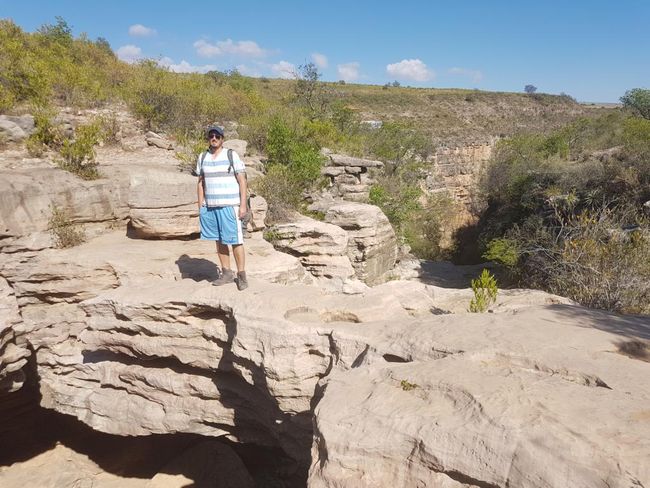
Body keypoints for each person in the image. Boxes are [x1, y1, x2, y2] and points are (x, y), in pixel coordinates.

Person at [196, 125, 248, 290]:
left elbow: (242, 181)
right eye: (211, 136)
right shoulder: (203, 157)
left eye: (217, 136)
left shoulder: (231, 155)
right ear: (208, 138)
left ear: (222, 138)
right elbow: (200, 183)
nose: (214, 138)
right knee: (219, 240)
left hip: (230, 206)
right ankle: (226, 272)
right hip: (211, 206)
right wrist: (200, 206)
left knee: (235, 241)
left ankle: (241, 275)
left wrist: (243, 205)